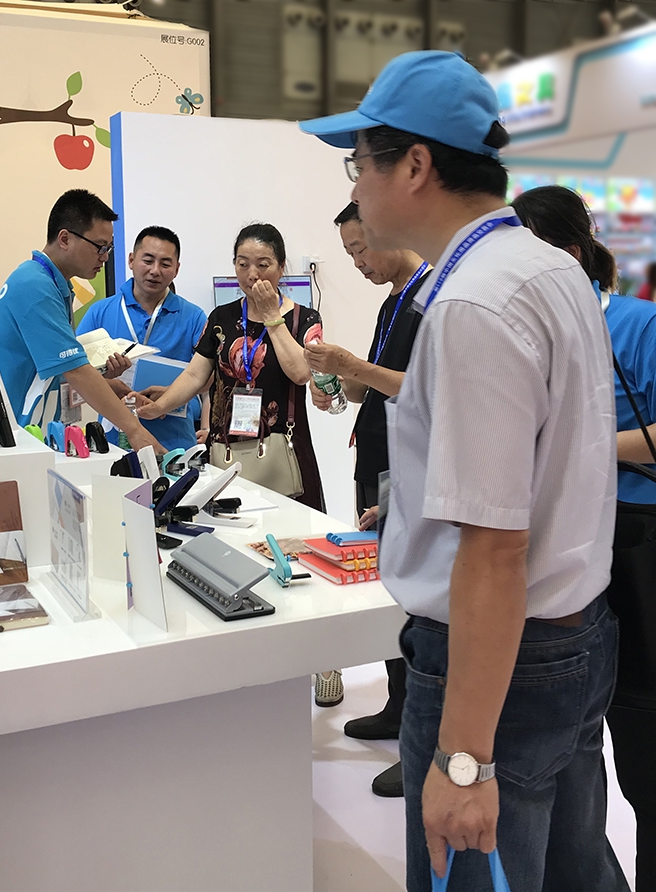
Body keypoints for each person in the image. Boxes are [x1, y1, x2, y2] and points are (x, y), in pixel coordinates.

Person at [300, 51, 628, 891]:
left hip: (495, 661)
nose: (355, 187)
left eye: (358, 162)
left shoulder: (473, 301)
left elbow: (493, 547)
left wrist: (462, 761)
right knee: (574, 868)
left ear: (414, 165)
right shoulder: (548, 268)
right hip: (572, 636)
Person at [512, 183, 656, 892]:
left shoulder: (637, 324)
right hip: (561, 549)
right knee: (574, 741)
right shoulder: (528, 335)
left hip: (634, 540)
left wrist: (582, 442)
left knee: (641, 735)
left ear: (570, 254)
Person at [307, 200, 429, 795]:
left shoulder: (430, 300)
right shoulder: (392, 301)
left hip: (412, 470)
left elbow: (426, 389)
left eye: (360, 249)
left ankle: (423, 739)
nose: (357, 263)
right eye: (349, 253)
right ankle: (398, 705)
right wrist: (341, 381)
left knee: (416, 601)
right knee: (387, 590)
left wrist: (352, 363)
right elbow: (378, 389)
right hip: (377, 462)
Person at [134, 223, 324, 510]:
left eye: (263, 265)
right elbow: (195, 375)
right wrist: (159, 407)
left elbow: (300, 374)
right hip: (226, 451)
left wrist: (272, 316)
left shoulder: (305, 319)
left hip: (283, 456)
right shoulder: (221, 317)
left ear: (281, 267)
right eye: (242, 264)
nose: (252, 274)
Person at [0, 189, 163, 453]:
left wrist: (106, 385)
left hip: (25, 432)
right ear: (65, 238)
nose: (105, 256)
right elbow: (75, 370)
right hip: (10, 435)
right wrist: (136, 432)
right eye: (100, 247)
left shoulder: (52, 284)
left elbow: (53, 370)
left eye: (109, 248)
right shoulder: (35, 286)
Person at [77, 226, 209, 451]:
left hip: (175, 445)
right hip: (113, 443)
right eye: (148, 261)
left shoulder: (194, 317)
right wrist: (106, 381)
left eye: (165, 264)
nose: (155, 271)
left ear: (176, 270)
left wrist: (172, 393)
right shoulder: (99, 312)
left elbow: (209, 377)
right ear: (131, 260)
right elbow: (74, 374)